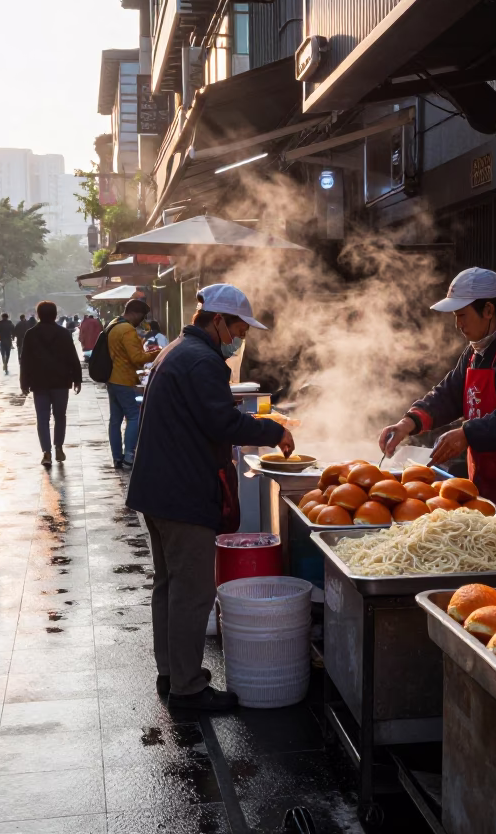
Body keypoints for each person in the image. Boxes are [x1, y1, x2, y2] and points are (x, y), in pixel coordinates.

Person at [127, 284, 294, 710]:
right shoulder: (203, 360)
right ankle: (187, 688)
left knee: (168, 586)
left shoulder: (178, 350)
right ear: (217, 320)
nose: (241, 337)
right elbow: (222, 422)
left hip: (158, 487)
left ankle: (171, 672)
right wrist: (273, 430)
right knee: (193, 590)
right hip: (182, 492)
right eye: (238, 327)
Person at [378, 268, 496, 530]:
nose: (458, 325)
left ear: (489, 310)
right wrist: (409, 423)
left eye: (462, 315)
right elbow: (448, 394)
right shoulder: (476, 351)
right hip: (489, 483)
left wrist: (466, 433)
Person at [20, 300, 82, 466]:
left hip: (39, 382)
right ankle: (59, 447)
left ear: (38, 314)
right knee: (60, 416)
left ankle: (46, 452)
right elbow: (72, 357)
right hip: (61, 381)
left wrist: (24, 382)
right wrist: (77, 379)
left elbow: (25, 360)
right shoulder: (63, 333)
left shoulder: (31, 334)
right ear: (55, 314)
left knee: (42, 418)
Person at [106, 299, 160, 470]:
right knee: (134, 416)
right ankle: (129, 455)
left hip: (112, 379)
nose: (142, 322)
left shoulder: (113, 325)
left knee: (115, 420)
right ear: (136, 313)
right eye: (142, 317)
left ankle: (117, 457)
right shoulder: (127, 330)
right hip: (124, 379)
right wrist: (157, 353)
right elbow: (137, 358)